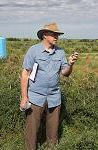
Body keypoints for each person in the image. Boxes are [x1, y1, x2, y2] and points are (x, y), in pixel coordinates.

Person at [20, 22, 78, 150]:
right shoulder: (33, 50)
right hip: (35, 97)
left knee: (53, 131)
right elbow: (25, 74)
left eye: (57, 34)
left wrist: (70, 64)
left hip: (54, 97)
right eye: (53, 34)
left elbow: (65, 73)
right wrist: (24, 97)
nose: (56, 36)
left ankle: (52, 147)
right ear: (45, 35)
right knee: (32, 130)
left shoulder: (60, 52)